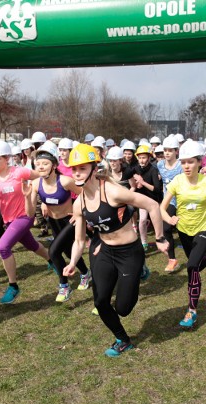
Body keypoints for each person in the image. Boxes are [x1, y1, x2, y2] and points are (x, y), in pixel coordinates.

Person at [63, 144, 169, 357]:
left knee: (123, 308)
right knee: (101, 301)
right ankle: (122, 339)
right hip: (105, 252)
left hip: (130, 252)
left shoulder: (112, 191)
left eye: (82, 168)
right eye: (74, 169)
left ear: (93, 168)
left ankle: (140, 270)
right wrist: (73, 262)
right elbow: (79, 240)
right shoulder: (79, 203)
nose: (77, 173)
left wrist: (159, 238)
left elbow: (152, 206)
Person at [161, 140, 206, 328]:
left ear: (199, 162)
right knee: (196, 265)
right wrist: (169, 219)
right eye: (183, 162)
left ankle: (192, 311)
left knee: (192, 266)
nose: (186, 166)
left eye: (190, 162)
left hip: (204, 229)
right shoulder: (176, 181)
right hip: (184, 230)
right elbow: (162, 207)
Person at [0, 139, 53, 304]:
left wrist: (40, 195)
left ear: (6, 158)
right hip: (9, 220)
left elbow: (41, 176)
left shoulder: (19, 172)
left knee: (3, 246)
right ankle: (53, 261)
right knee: (31, 245)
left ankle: (13, 286)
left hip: (25, 216)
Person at [24, 143, 91, 302]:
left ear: (54, 165)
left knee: (53, 251)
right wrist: (27, 197)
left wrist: (78, 212)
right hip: (53, 222)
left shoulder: (66, 181)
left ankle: (64, 286)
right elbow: (30, 213)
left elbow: (85, 194)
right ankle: (85, 273)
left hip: (70, 221)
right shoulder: (35, 184)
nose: (40, 167)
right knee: (68, 252)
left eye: (45, 163)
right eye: (38, 164)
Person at [157, 135, 183, 272]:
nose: (167, 153)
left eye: (170, 150)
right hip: (169, 201)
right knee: (166, 228)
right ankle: (172, 259)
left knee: (186, 231)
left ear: (176, 151)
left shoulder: (181, 165)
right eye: (165, 150)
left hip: (183, 201)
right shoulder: (160, 165)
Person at [132, 145, 163, 250]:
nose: (142, 160)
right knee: (142, 220)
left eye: (144, 157)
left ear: (149, 158)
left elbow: (157, 189)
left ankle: (160, 239)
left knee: (157, 222)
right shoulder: (135, 169)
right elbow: (132, 184)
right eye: (140, 157)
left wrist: (143, 182)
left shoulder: (153, 170)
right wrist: (137, 185)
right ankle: (144, 243)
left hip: (154, 200)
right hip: (143, 199)